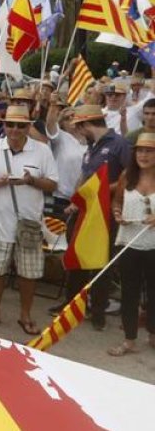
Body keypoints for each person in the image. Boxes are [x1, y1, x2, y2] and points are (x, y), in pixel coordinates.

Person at [0, 106, 58, 335]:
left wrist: (32, 181)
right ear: (4, 125)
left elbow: (53, 184)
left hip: (29, 224)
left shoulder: (42, 150)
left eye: (21, 125)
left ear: (28, 127)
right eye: (10, 124)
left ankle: (25, 315)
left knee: (28, 273)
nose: (15, 129)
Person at [63, 104, 130, 329]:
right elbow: (84, 176)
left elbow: (129, 177)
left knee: (102, 263)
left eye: (79, 127)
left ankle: (98, 311)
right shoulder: (91, 146)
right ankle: (71, 306)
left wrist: (101, 191)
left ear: (86, 125)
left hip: (106, 213)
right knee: (77, 257)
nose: (78, 132)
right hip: (84, 211)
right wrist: (76, 198)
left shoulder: (120, 144)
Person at [107, 132, 155, 356]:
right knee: (129, 292)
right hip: (129, 242)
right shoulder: (127, 175)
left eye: (149, 151)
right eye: (140, 151)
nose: (143, 155)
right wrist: (117, 214)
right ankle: (129, 340)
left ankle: (153, 334)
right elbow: (116, 201)